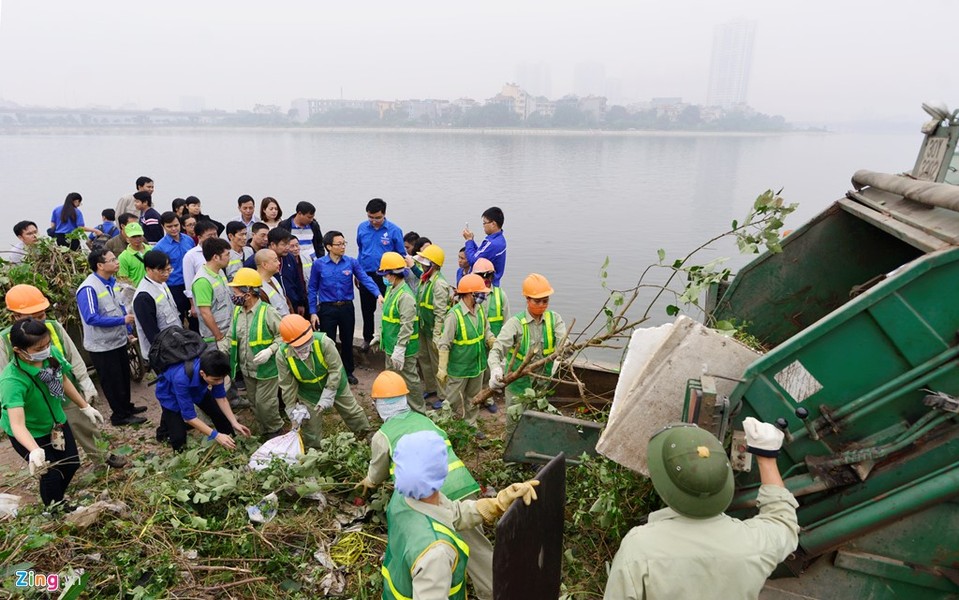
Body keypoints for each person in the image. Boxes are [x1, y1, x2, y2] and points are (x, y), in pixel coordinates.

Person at [603, 420, 800, 599]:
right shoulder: (755, 544)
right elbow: (782, 521)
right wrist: (767, 458)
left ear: (661, 484)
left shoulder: (639, 548)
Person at [358, 372, 495, 600]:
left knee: (438, 545)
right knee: (478, 548)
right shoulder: (424, 419)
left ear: (377, 405)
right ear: (405, 397)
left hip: (434, 493)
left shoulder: (383, 435)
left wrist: (369, 482)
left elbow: (377, 472)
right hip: (462, 483)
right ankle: (492, 591)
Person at [381, 430, 539, 600]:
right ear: (442, 470)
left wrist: (498, 503)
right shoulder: (437, 553)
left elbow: (452, 513)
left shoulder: (402, 497)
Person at [1, 286, 127, 470]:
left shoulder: (53, 327)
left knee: (83, 422)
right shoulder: (5, 339)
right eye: (32, 317)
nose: (39, 321)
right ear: (15, 317)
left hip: (61, 385)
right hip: (32, 396)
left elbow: (72, 356)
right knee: (46, 434)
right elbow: (5, 374)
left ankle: (102, 457)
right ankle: (56, 468)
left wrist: (85, 381)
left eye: (41, 315)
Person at [0, 319, 105, 505]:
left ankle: (56, 498)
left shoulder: (50, 355)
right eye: (39, 348)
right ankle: (54, 508)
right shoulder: (12, 381)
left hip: (57, 423)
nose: (45, 349)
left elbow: (62, 379)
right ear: (18, 351)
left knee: (71, 463)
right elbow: (17, 424)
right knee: (50, 474)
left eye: (47, 344)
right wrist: (33, 450)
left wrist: (84, 406)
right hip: (30, 432)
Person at [276, 315, 372, 448]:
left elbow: (335, 369)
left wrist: (328, 394)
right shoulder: (282, 355)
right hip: (309, 392)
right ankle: (314, 451)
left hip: (336, 385)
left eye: (306, 342)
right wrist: (291, 408)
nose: (303, 347)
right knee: (310, 426)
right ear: (289, 344)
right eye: (299, 346)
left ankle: (366, 436)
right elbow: (287, 385)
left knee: (352, 412)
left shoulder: (324, 342)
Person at [488, 273, 566, 433]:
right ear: (527, 299)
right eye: (537, 301)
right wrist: (495, 370)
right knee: (514, 424)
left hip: (541, 385)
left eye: (545, 301)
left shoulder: (554, 320)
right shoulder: (515, 324)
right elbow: (496, 351)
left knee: (537, 423)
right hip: (518, 385)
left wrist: (566, 349)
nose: (542, 305)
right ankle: (512, 457)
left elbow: (563, 340)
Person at [76, 248, 146, 426]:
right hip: (102, 346)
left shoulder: (112, 282)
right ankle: (119, 416)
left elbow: (120, 305)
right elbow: (91, 318)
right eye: (112, 259)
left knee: (123, 377)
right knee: (112, 381)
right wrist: (122, 320)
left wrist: (127, 330)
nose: (117, 262)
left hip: (117, 340)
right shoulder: (88, 288)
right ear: (100, 265)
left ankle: (127, 407)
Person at [308, 230, 382, 386]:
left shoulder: (351, 262)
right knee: (328, 342)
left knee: (347, 341)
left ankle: (348, 372)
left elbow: (364, 278)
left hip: (346, 307)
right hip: (327, 308)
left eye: (344, 243)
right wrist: (313, 312)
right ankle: (329, 372)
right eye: (338, 244)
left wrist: (378, 294)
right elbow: (313, 288)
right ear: (329, 246)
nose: (342, 247)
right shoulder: (319, 264)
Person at [153, 349, 251, 452]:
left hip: (197, 388)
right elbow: (189, 418)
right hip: (170, 393)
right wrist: (215, 435)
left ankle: (230, 441)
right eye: (216, 380)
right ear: (202, 373)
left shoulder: (217, 371)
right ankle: (164, 434)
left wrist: (234, 422)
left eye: (222, 378)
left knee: (219, 414)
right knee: (179, 437)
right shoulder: (181, 378)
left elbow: (221, 398)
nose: (219, 382)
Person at [226, 268, 284, 438]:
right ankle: (264, 430)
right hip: (246, 369)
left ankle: (275, 430)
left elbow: (284, 337)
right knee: (254, 403)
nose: (233, 294)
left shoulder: (268, 312)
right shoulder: (237, 311)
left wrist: (270, 350)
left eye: (236, 290)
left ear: (248, 292)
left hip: (267, 369)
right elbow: (231, 336)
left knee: (265, 403)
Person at [436, 274, 495, 435]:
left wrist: (492, 341)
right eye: (480, 292)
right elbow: (444, 343)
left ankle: (471, 424)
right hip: (459, 368)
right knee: (452, 400)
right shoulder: (454, 316)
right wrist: (442, 368)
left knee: (474, 398)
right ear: (470, 294)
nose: (483, 296)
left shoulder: (480, 310)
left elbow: (486, 330)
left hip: (477, 365)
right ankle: (446, 427)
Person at [376, 251, 425, 414]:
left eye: (385, 274)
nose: (384, 277)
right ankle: (396, 409)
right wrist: (379, 335)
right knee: (391, 379)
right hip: (390, 346)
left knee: (410, 381)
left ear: (392, 274)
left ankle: (419, 412)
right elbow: (388, 318)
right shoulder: (391, 290)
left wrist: (400, 348)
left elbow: (407, 325)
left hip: (404, 350)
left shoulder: (405, 296)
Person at [356, 198, 406, 352]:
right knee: (367, 309)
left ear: (384, 214)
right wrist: (357, 273)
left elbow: (401, 255)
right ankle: (367, 338)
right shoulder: (362, 228)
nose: (374, 221)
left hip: (387, 276)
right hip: (366, 274)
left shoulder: (394, 230)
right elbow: (361, 250)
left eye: (377, 217)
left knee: (389, 308)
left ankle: (388, 338)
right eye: (370, 217)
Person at [415, 244, 453, 409]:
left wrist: (437, 336)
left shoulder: (439, 285)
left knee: (438, 363)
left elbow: (440, 313)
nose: (422, 265)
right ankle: (431, 388)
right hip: (423, 328)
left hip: (434, 331)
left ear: (433, 265)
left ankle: (443, 395)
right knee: (424, 359)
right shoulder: (425, 280)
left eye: (425, 262)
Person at [471, 258, 508, 414]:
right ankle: (474, 398)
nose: (485, 280)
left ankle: (488, 398)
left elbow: (507, 321)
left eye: (488, 276)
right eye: (481, 276)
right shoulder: (471, 294)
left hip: (494, 343)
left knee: (489, 372)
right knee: (475, 373)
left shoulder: (500, 295)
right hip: (475, 342)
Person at [132, 250, 181, 360]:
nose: (167, 274)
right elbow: (152, 333)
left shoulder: (162, 283)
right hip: (162, 354)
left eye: (168, 269)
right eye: (162, 271)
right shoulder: (143, 297)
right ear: (148, 269)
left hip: (176, 345)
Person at [153, 211, 196, 324]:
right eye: (169, 226)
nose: (173, 229)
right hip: (173, 286)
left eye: (176, 225)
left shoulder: (189, 240)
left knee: (195, 318)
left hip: (191, 284)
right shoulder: (159, 248)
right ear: (163, 226)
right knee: (177, 318)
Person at [191, 237, 233, 349]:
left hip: (228, 331)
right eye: (227, 255)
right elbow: (205, 312)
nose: (230, 258)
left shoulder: (219, 273)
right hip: (216, 339)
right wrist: (219, 336)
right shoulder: (203, 281)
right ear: (215, 257)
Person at [462, 207, 506, 287]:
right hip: (493, 283)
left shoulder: (492, 244)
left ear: (493, 224)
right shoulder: (500, 239)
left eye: (484, 223)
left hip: (486, 285)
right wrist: (471, 240)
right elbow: (479, 254)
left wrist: (468, 241)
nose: (483, 226)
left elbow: (473, 261)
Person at [181, 220, 220, 307]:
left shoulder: (219, 251)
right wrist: (192, 305)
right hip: (202, 298)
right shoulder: (190, 256)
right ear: (199, 237)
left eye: (215, 234)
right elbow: (189, 282)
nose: (214, 238)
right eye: (210, 235)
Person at [255, 249, 291, 317]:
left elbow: (284, 299)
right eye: (275, 260)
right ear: (264, 265)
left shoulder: (273, 279)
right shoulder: (259, 288)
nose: (279, 263)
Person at [117, 223, 152, 287]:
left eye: (139, 235)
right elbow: (123, 280)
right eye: (133, 237)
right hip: (136, 292)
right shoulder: (123, 257)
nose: (137, 239)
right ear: (127, 239)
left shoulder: (152, 250)